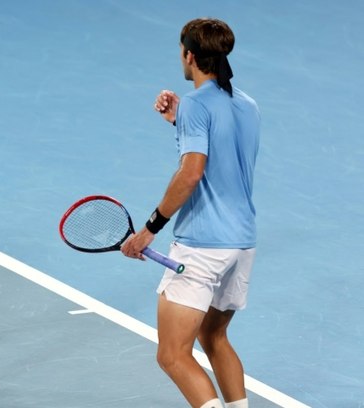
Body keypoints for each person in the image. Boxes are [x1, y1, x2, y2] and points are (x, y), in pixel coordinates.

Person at [121, 18, 260, 408]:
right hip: (242, 245)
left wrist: (149, 230)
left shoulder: (197, 106)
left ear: (189, 56)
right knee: (214, 338)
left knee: (172, 354)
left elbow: (192, 173)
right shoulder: (247, 105)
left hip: (203, 248)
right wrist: (181, 122)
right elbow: (223, 159)